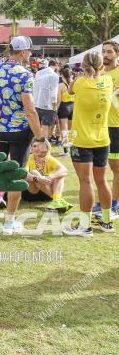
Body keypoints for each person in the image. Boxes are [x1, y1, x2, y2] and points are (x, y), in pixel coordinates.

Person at [0, 36, 41, 234]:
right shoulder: (24, 75)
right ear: (22, 52)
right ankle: (9, 221)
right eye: (29, 51)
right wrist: (40, 135)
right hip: (20, 131)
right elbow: (30, 109)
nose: (30, 54)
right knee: (18, 172)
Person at [63, 51, 113, 237]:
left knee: (86, 181)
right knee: (101, 181)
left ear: (83, 66)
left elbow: (69, 91)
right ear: (101, 65)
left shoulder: (80, 83)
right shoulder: (108, 82)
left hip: (82, 140)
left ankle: (85, 226)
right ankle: (107, 221)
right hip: (102, 139)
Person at [92, 40, 119, 221]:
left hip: (116, 126)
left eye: (109, 52)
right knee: (99, 168)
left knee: (116, 168)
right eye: (103, 52)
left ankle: (114, 203)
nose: (106, 55)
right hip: (99, 126)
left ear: (117, 54)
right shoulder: (99, 74)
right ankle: (104, 200)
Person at [22, 138, 71, 211]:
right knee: (34, 172)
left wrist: (51, 177)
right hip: (31, 194)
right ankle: (56, 199)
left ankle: (56, 200)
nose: (36, 148)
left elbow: (64, 170)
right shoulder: (28, 158)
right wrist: (38, 179)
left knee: (60, 176)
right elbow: (24, 175)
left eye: (39, 146)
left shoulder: (49, 159)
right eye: (34, 146)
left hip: (46, 193)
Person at [33, 59, 59, 139]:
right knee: (45, 127)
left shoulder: (38, 73)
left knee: (36, 127)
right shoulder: (54, 76)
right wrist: (55, 106)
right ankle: (43, 146)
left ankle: (34, 145)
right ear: (56, 65)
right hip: (48, 106)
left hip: (36, 103)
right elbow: (54, 93)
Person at [56, 66, 74, 155]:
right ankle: (72, 149)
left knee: (64, 130)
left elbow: (58, 100)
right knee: (71, 130)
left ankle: (66, 151)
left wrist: (55, 110)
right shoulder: (73, 84)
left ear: (62, 74)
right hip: (73, 106)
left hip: (64, 106)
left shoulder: (61, 85)